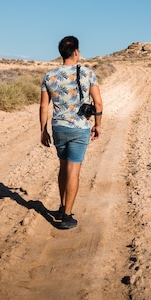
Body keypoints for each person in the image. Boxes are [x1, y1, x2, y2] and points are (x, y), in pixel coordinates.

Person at [39, 35, 103, 229]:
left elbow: (43, 107)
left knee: (63, 167)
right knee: (73, 170)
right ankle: (66, 216)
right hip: (79, 128)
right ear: (76, 51)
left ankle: (61, 205)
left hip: (58, 127)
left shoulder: (49, 75)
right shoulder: (87, 73)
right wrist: (98, 124)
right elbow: (98, 103)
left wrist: (43, 131)